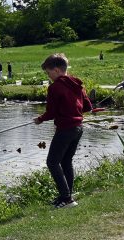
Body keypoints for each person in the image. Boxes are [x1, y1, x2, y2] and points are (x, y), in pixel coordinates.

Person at [33, 53, 92, 209]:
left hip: (65, 129)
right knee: (66, 161)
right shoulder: (78, 84)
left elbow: (51, 112)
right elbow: (87, 107)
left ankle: (66, 198)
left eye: (48, 72)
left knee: (52, 162)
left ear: (57, 70)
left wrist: (40, 119)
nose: (48, 76)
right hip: (78, 128)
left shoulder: (55, 87)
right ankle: (66, 195)